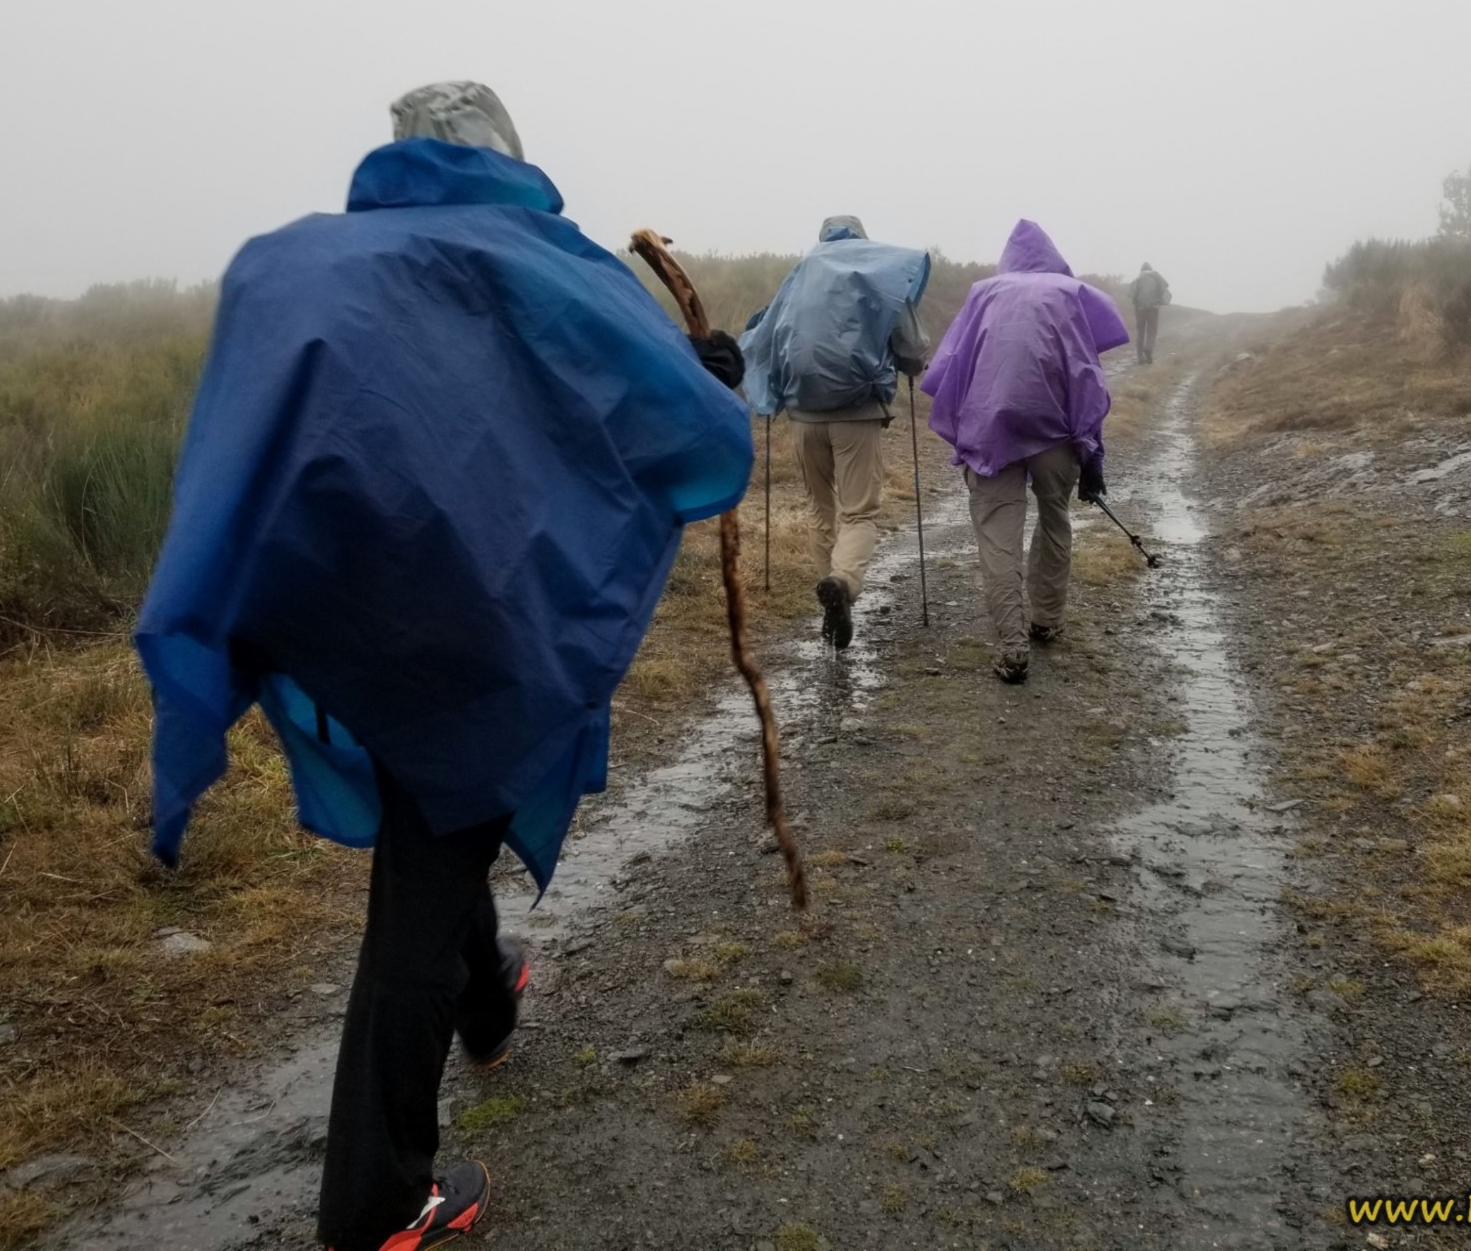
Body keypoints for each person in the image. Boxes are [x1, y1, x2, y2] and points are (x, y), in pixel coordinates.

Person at [135, 82, 753, 1251]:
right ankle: (379, 1199)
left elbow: (250, 439)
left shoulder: (296, 265)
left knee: (440, 807)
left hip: (342, 613)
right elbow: (660, 411)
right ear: (509, 155)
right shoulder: (551, 263)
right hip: (487, 624)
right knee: (421, 881)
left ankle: (489, 992)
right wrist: (708, 372)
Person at [920, 220, 1129, 683]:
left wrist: (965, 425)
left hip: (992, 431)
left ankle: (1013, 647)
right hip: (1055, 432)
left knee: (998, 536)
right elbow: (1086, 379)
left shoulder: (984, 293)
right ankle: (1046, 621)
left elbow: (950, 366)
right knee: (1055, 518)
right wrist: (1092, 454)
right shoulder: (1069, 294)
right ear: (1054, 258)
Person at [739, 216, 930, 649]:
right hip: (856, 411)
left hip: (804, 413)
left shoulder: (802, 273)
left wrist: (768, 393)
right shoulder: (879, 272)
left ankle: (831, 591)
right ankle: (843, 583)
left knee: (819, 508)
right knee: (860, 511)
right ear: (862, 237)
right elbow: (912, 345)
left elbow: (768, 335)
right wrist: (914, 366)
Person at [1131, 261, 1171, 364]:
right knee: (1152, 331)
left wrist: (1136, 305)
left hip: (1140, 309)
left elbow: (1132, 294)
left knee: (1140, 333)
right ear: (1151, 269)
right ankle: (1148, 348)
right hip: (1153, 308)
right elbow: (1165, 286)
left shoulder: (1139, 278)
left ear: (1142, 269)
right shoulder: (1156, 276)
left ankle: (1140, 357)